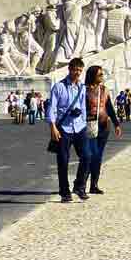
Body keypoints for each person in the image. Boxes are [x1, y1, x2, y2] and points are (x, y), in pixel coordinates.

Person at [47, 57, 89, 202]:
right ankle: (64, 192)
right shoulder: (59, 87)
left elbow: (83, 106)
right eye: (75, 70)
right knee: (63, 161)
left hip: (79, 127)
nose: (78, 73)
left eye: (80, 70)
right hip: (63, 128)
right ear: (69, 69)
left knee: (87, 156)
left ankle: (79, 186)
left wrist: (84, 121)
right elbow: (51, 108)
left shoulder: (82, 88)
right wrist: (53, 127)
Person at [84, 64, 122, 194]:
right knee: (90, 155)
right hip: (90, 126)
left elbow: (109, 108)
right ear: (92, 75)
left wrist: (117, 124)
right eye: (99, 74)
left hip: (104, 126)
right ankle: (81, 183)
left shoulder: (104, 90)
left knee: (98, 156)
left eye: (102, 75)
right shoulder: (84, 90)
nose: (102, 77)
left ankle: (94, 185)